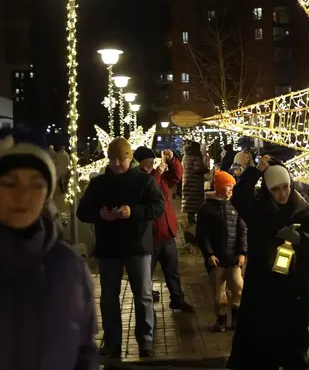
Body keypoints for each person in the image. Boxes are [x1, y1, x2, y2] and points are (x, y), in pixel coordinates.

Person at [0, 127, 98, 369]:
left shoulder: (69, 267)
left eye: (36, 185)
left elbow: (84, 352)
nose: (23, 196)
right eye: (10, 183)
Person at [227, 155, 309, 370]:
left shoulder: (303, 208)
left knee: (293, 331)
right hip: (264, 282)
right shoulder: (258, 209)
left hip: (294, 282)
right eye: (276, 189)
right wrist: (255, 171)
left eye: (286, 187)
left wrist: (300, 239)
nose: (282, 194)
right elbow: (239, 198)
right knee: (263, 336)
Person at [77, 137, 165, 358]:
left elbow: (158, 207)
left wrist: (132, 211)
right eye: (113, 159)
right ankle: (112, 340)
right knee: (108, 295)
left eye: (121, 159)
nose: (116, 164)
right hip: (108, 247)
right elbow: (82, 211)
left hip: (137, 246)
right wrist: (100, 214)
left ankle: (145, 340)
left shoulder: (144, 181)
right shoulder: (98, 183)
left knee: (143, 294)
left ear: (130, 158)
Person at [133, 146, 192, 312]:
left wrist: (173, 159)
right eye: (149, 161)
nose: (153, 163)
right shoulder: (141, 179)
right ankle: (146, 300)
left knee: (172, 270)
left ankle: (177, 299)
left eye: (153, 160)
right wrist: (157, 172)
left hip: (167, 232)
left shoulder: (161, 177)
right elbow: (149, 187)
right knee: (146, 273)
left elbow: (178, 174)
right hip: (150, 235)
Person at [197, 171, 247, 331]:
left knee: (238, 286)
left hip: (233, 258)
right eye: (228, 186)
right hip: (217, 259)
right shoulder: (206, 208)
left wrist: (242, 252)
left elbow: (242, 230)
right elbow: (202, 234)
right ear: (219, 187)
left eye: (232, 186)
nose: (231, 190)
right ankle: (221, 318)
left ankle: (237, 317)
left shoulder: (236, 205)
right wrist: (209, 254)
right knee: (219, 293)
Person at [182, 141, 206, 230]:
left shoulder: (185, 157)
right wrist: (206, 169)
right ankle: (196, 227)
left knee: (189, 206)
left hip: (187, 183)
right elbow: (197, 169)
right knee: (197, 205)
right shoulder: (196, 157)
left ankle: (190, 225)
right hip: (195, 184)